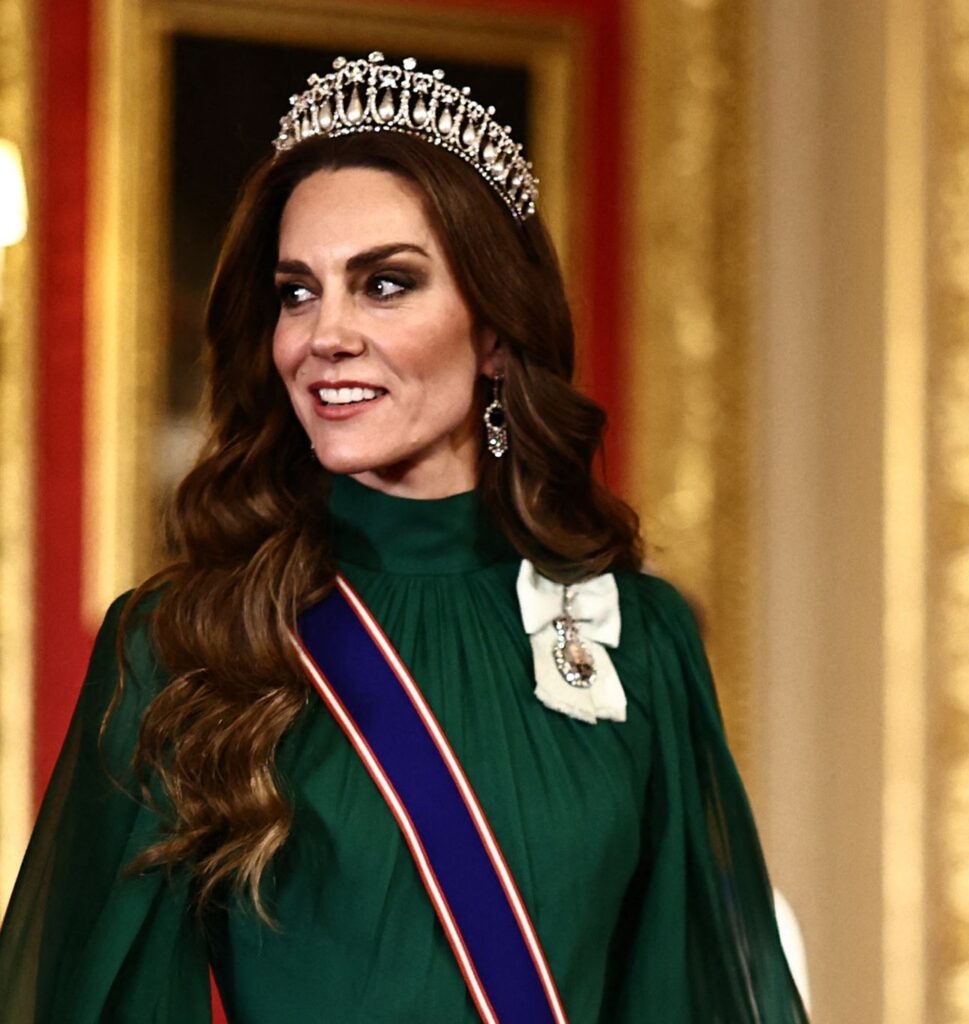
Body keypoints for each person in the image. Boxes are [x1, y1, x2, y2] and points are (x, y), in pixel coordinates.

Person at [0, 53, 805, 1023]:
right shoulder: (184, 640)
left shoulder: (641, 637)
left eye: (384, 284)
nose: (323, 334)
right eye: (298, 292)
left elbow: (684, 997)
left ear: (497, 332)